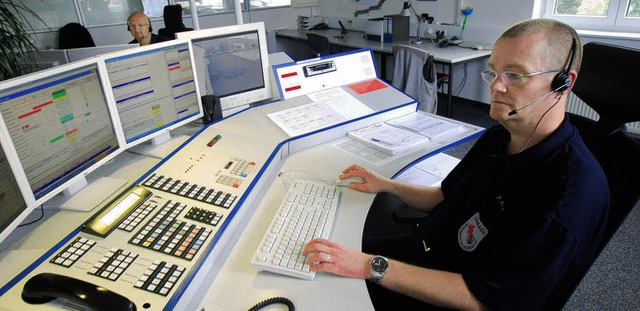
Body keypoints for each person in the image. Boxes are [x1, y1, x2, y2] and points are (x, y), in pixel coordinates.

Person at [302, 18, 609, 310]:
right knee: (310, 254)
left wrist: (369, 266)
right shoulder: (499, 137)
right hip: (425, 249)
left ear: (563, 83)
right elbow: (447, 197)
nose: (496, 87)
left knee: (315, 293)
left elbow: (485, 299)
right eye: (494, 72)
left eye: (515, 75)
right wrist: (384, 184)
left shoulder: (567, 194)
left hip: (452, 291)